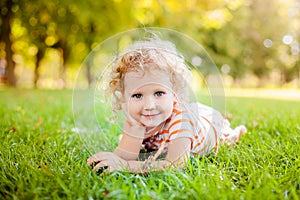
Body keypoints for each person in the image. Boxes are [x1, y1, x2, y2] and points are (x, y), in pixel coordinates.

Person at [87, 38, 246, 174]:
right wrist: (115, 157)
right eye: (137, 95)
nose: (149, 106)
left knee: (223, 138)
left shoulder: (181, 121)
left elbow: (176, 165)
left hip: (208, 125)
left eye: (159, 93)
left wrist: (125, 166)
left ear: (174, 93)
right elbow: (124, 156)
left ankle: (231, 134)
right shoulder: (136, 116)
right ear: (124, 98)